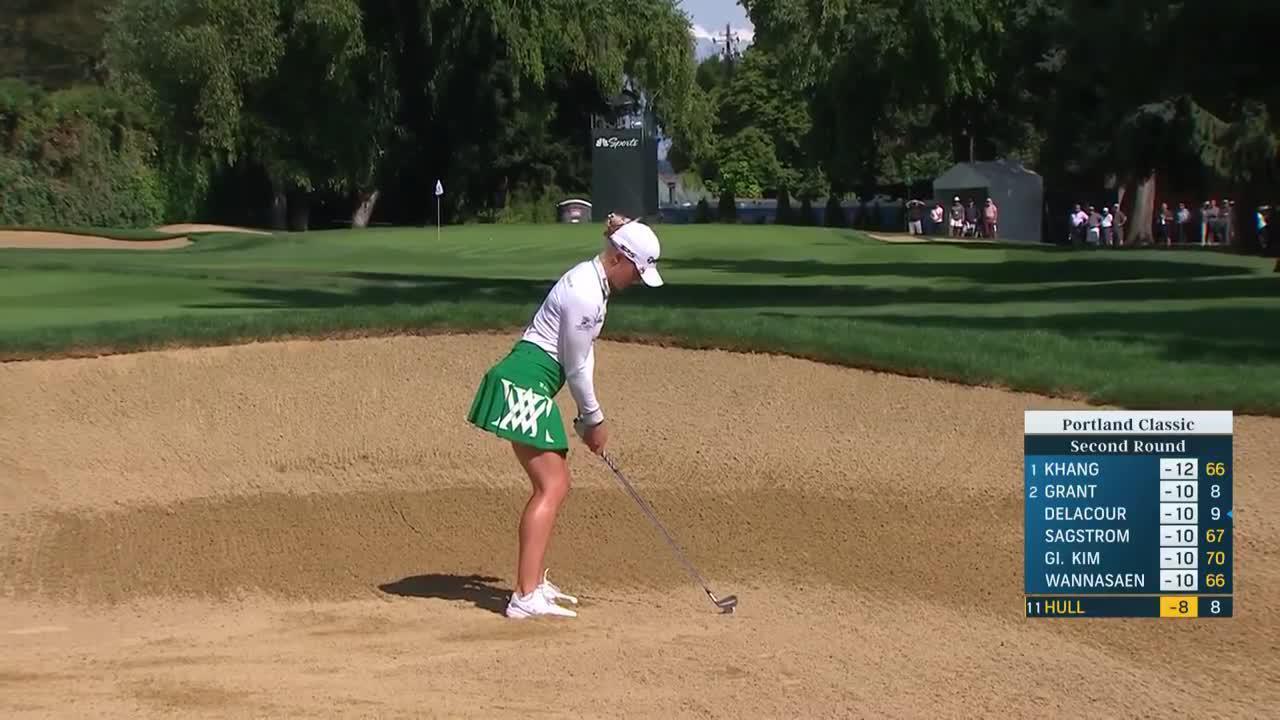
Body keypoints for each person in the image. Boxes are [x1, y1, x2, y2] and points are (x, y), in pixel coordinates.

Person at [466, 212, 664, 619]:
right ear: (618, 259)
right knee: (552, 486)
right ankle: (524, 596)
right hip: (521, 385)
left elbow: (583, 356)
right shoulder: (584, 293)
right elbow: (574, 366)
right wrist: (594, 418)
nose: (638, 281)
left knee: (555, 484)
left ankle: (533, 584)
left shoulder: (595, 285)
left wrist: (587, 417)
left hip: (531, 385)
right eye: (638, 272)